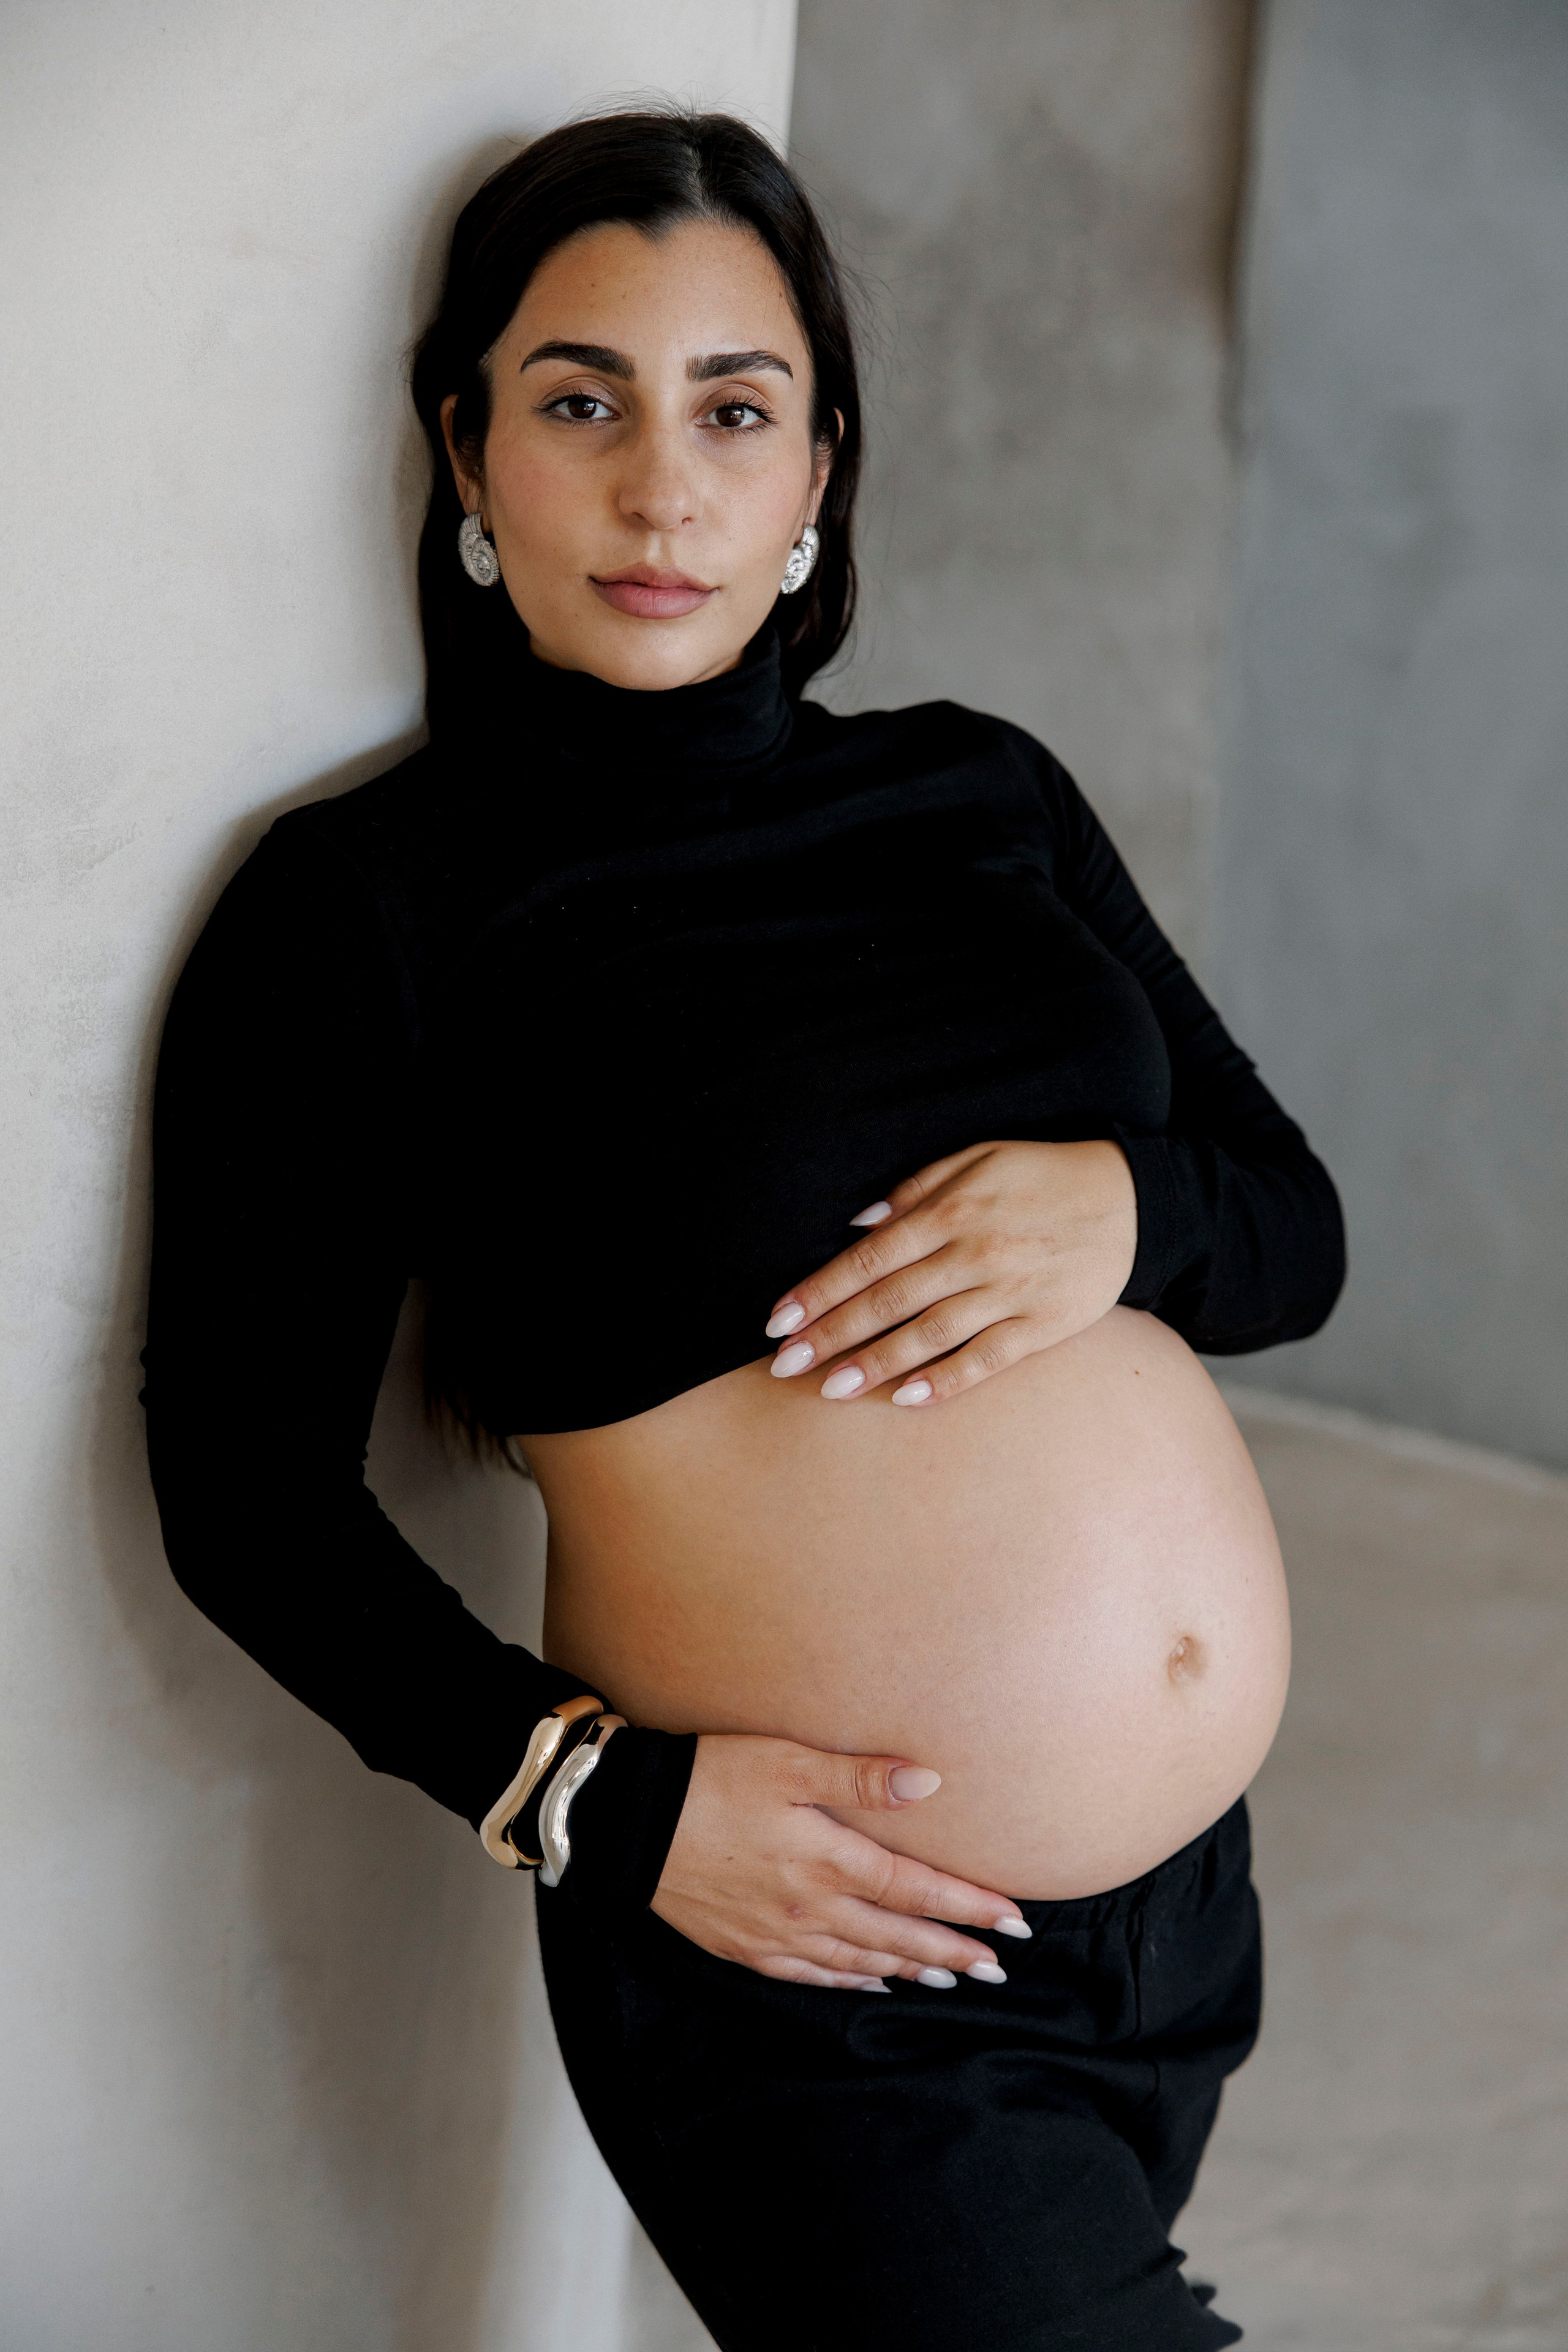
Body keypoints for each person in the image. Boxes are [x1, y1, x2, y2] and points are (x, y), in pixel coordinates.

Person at [144, 108, 1343, 2351]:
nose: (661, 490)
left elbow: (1295, 1232)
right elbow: (239, 1489)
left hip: (1176, 1923)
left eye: (733, 410)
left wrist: (1126, 1208)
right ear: (468, 454)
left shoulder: (984, 790)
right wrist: (588, 1804)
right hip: (816, 1969)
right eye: (579, 403)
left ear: (818, 473)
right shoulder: (371, 912)